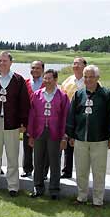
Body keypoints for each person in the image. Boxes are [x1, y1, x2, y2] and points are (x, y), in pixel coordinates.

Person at [67, 65, 110, 207]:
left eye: (91, 77)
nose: (88, 80)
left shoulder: (106, 94)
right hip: (80, 140)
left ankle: (98, 201)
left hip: (100, 140)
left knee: (99, 172)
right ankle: (81, 197)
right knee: (81, 171)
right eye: (86, 77)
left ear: (97, 78)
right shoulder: (79, 94)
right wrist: (71, 135)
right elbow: (72, 116)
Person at [0, 51, 30, 197]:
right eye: (0, 61)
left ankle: (13, 187)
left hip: (12, 123)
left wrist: (24, 122)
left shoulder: (18, 80)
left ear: (11, 62)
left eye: (5, 61)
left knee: (12, 155)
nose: (2, 63)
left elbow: (24, 103)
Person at [28, 69, 70, 200]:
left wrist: (64, 137)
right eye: (45, 78)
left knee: (55, 162)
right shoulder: (36, 95)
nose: (46, 81)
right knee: (38, 160)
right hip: (39, 132)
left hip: (55, 133)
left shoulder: (63, 96)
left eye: (49, 78)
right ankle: (38, 187)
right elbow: (32, 115)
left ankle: (54, 190)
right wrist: (30, 134)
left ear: (56, 80)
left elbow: (65, 118)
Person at [60, 57, 87, 179]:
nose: (75, 66)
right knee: (68, 145)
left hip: (84, 118)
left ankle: (83, 173)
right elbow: (61, 97)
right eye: (74, 63)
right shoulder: (68, 80)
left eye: (78, 64)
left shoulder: (89, 80)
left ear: (84, 66)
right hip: (69, 117)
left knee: (83, 147)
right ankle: (67, 171)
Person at [22, 60, 47, 178]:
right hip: (28, 120)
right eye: (33, 68)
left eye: (37, 68)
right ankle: (27, 169)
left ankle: (42, 172)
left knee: (42, 148)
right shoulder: (25, 83)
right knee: (27, 146)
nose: (35, 70)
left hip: (43, 121)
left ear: (43, 70)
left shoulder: (47, 83)